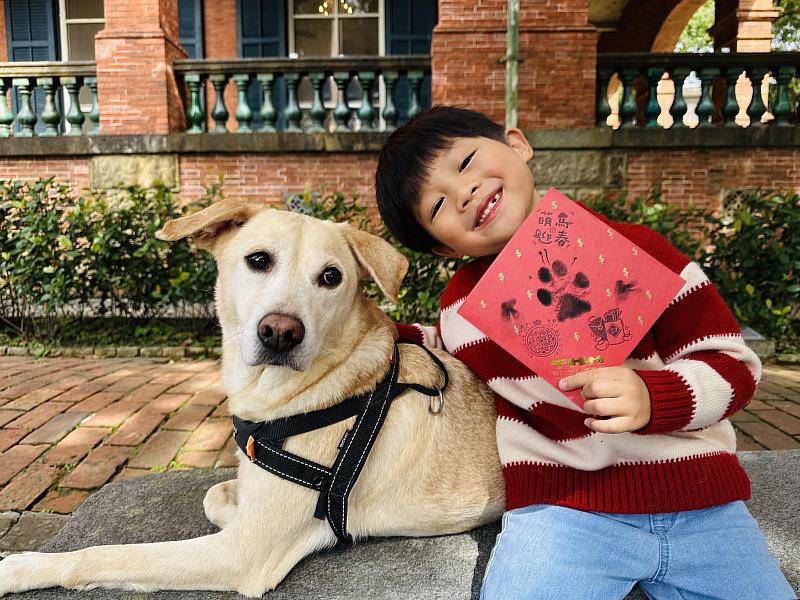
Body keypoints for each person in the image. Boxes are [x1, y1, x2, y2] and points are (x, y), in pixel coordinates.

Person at [375, 105, 794, 600]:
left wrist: (655, 397)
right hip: (563, 510)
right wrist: (367, 332)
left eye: (465, 162)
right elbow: (445, 348)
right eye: (438, 206)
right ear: (442, 248)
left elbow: (733, 365)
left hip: (701, 501)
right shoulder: (461, 310)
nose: (463, 192)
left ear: (517, 144)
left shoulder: (639, 250)